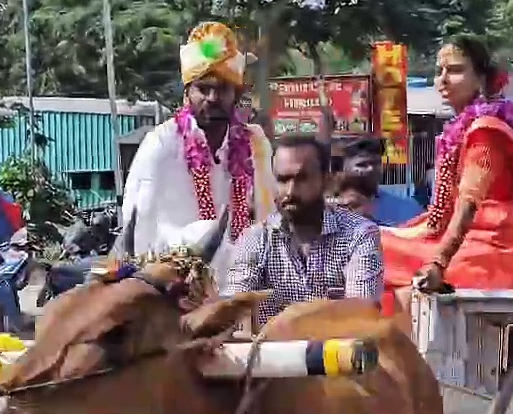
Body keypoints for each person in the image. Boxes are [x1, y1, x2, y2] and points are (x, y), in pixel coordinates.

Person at [122, 21, 277, 283]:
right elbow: (138, 229)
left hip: (244, 283)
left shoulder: (255, 144)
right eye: (203, 88)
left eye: (223, 89)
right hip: (177, 286)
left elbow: (270, 216)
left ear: (236, 95)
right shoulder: (160, 144)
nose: (213, 98)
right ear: (188, 92)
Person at [381, 35, 513, 322]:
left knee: (369, 249)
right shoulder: (463, 128)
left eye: (455, 70)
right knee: (364, 238)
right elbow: (436, 219)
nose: (442, 80)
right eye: (439, 71)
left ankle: (388, 348)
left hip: (489, 252)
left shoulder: (486, 131)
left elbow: (468, 205)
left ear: (482, 79)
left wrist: (438, 262)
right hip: (467, 244)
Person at [222, 134, 383, 324]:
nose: (290, 191)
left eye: (302, 179)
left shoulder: (360, 234)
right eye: (283, 180)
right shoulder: (255, 238)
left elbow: (362, 311)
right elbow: (233, 306)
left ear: (327, 181)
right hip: (270, 352)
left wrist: (291, 319)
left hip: (335, 351)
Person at [341, 137, 424, 226]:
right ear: (343, 169)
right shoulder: (329, 210)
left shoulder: (408, 210)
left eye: (376, 163)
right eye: (362, 164)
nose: (371, 169)